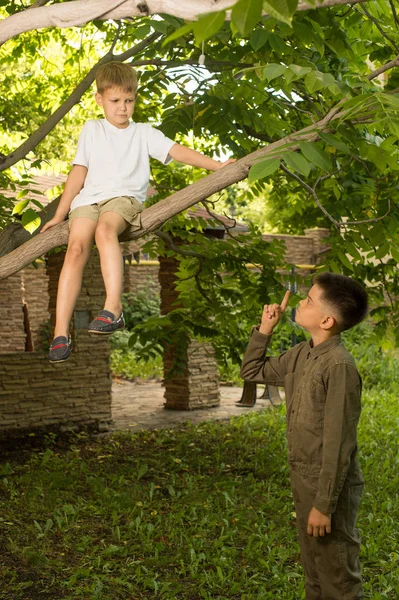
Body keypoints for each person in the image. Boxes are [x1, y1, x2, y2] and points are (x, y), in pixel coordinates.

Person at [41, 61, 235, 363]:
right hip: (87, 200)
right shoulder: (91, 129)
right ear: (99, 99)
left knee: (105, 231)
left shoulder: (143, 132)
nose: (122, 108)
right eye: (115, 101)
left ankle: (113, 308)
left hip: (123, 199)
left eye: (129, 100)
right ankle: (60, 333)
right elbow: (78, 172)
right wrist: (58, 215)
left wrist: (217, 166)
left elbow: (177, 150)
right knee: (76, 248)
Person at [240, 273, 368, 599]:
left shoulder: (339, 366)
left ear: (326, 320)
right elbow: (252, 372)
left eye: (308, 300)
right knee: (314, 574)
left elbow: (340, 443)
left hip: (330, 492)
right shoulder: (301, 354)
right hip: (304, 483)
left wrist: (324, 506)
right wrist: (265, 328)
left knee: (337, 579)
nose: (300, 302)